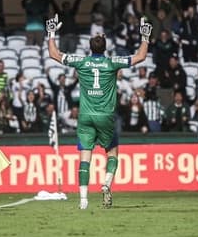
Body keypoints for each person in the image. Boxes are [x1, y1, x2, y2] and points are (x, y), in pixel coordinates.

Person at [46, 13, 152, 209]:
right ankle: (106, 184)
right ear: (105, 48)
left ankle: (83, 200)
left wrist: (51, 33)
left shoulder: (81, 61)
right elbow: (140, 57)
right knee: (112, 153)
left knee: (85, 156)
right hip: (105, 116)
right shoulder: (112, 63)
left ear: (89, 48)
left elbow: (55, 55)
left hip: (85, 116)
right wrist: (144, 37)